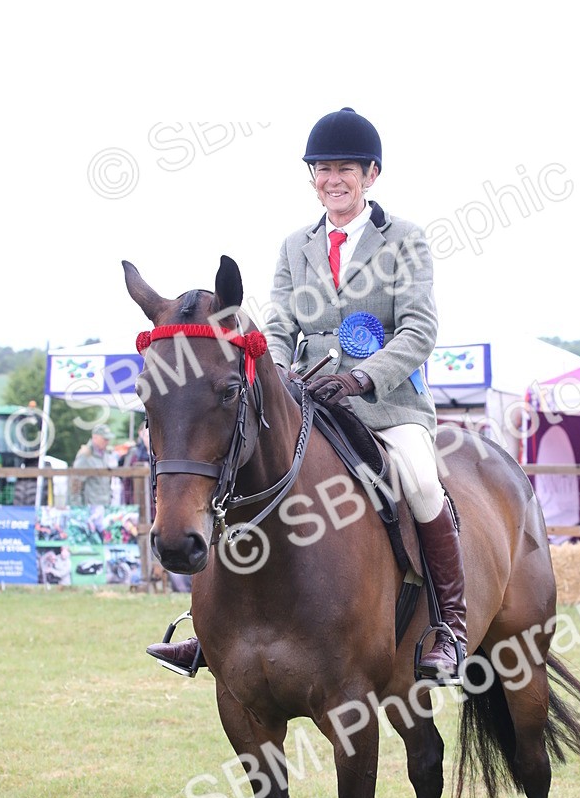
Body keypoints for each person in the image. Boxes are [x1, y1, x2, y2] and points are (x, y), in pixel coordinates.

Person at [148, 107, 467, 683]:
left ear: (371, 175)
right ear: (312, 178)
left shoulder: (406, 241)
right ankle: (213, 630)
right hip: (307, 396)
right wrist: (278, 374)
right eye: (323, 169)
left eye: (345, 168)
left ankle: (449, 625)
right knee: (242, 475)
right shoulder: (297, 245)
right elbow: (276, 328)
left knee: (420, 480)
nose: (333, 179)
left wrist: (362, 377)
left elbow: (419, 330)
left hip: (386, 403)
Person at [70, 423, 117, 507]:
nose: (107, 441)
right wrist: (77, 507)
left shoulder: (105, 454)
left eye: (108, 439)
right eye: (105, 439)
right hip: (90, 506)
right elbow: (75, 484)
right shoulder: (85, 455)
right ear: (95, 437)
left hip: (105, 505)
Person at [122, 421, 150, 506]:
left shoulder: (161, 456)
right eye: (147, 436)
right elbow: (127, 480)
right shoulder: (136, 456)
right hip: (139, 502)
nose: (149, 440)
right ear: (143, 437)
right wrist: (128, 501)